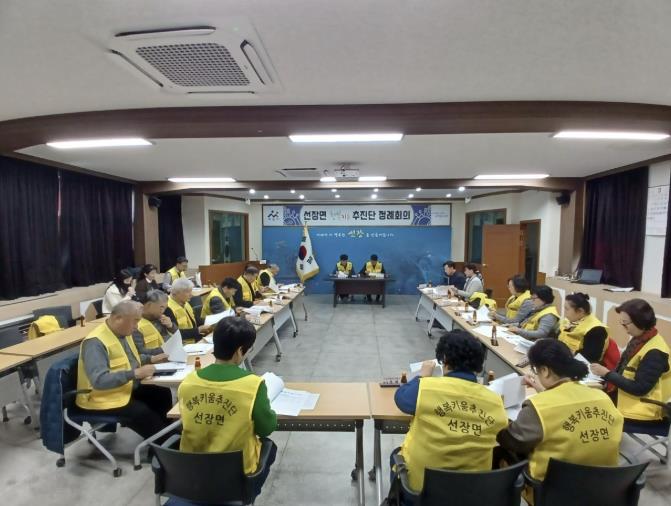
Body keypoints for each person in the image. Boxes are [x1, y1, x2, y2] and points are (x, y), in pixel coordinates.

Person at [391, 330, 507, 496]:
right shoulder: (495, 401)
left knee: (394, 457)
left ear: (444, 359)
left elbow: (401, 399)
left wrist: (423, 375)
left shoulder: (426, 388)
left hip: (421, 491)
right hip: (474, 494)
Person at [497, 339, 623, 485]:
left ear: (545, 370)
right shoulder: (603, 397)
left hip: (553, 488)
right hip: (603, 485)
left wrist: (501, 420)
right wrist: (544, 391)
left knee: (500, 449)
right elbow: (567, 403)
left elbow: (512, 441)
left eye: (536, 370)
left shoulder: (537, 407)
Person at [178, 317, 277, 499]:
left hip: (192, 472)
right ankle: (248, 496)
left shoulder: (188, 381)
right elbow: (266, 429)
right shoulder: (253, 384)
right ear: (239, 351)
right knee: (271, 448)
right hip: (236, 477)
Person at [75, 301, 172, 440]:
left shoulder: (123, 333)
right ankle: (166, 443)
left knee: (161, 393)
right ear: (118, 318)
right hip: (101, 399)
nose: (137, 326)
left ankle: (165, 435)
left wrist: (152, 359)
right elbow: (99, 380)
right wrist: (135, 373)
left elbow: (130, 359)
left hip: (123, 388)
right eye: (135, 321)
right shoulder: (95, 343)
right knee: (141, 413)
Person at [590, 299, 671, 424]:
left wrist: (607, 374)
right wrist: (605, 378)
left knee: (588, 412)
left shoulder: (655, 352)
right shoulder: (640, 339)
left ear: (640, 323)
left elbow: (639, 389)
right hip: (626, 398)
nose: (623, 328)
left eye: (625, 324)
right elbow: (623, 370)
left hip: (643, 409)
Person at [559, 292, 619, 366]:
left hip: (582, 365)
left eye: (567, 309)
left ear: (580, 311)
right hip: (565, 359)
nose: (564, 313)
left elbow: (589, 357)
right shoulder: (569, 321)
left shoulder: (596, 329)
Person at [165, 278, 212, 343]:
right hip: (183, 344)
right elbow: (176, 333)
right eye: (188, 292)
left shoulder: (185, 302)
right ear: (176, 293)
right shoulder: (167, 308)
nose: (191, 294)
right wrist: (198, 330)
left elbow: (194, 319)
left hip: (194, 339)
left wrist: (209, 322)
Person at [133, 290, 175, 356]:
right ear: (148, 305)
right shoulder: (135, 325)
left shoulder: (160, 319)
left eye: (165, 308)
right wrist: (166, 349)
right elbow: (140, 352)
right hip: (155, 359)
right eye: (161, 307)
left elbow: (176, 336)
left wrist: (171, 326)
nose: (163, 311)